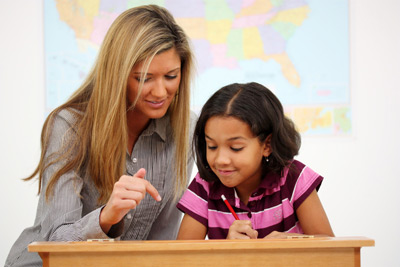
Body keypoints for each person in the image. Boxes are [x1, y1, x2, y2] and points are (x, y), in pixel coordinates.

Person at [6, 5, 195, 266]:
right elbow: (54, 243)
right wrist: (106, 216)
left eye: (171, 76)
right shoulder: (69, 126)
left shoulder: (186, 129)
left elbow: (163, 239)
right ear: (117, 74)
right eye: (144, 78)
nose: (161, 92)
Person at [176, 82, 334, 240]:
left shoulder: (295, 179)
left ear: (267, 145)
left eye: (236, 148)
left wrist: (289, 245)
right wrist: (227, 251)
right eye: (212, 146)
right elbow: (181, 259)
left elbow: (331, 249)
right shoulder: (204, 186)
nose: (221, 160)